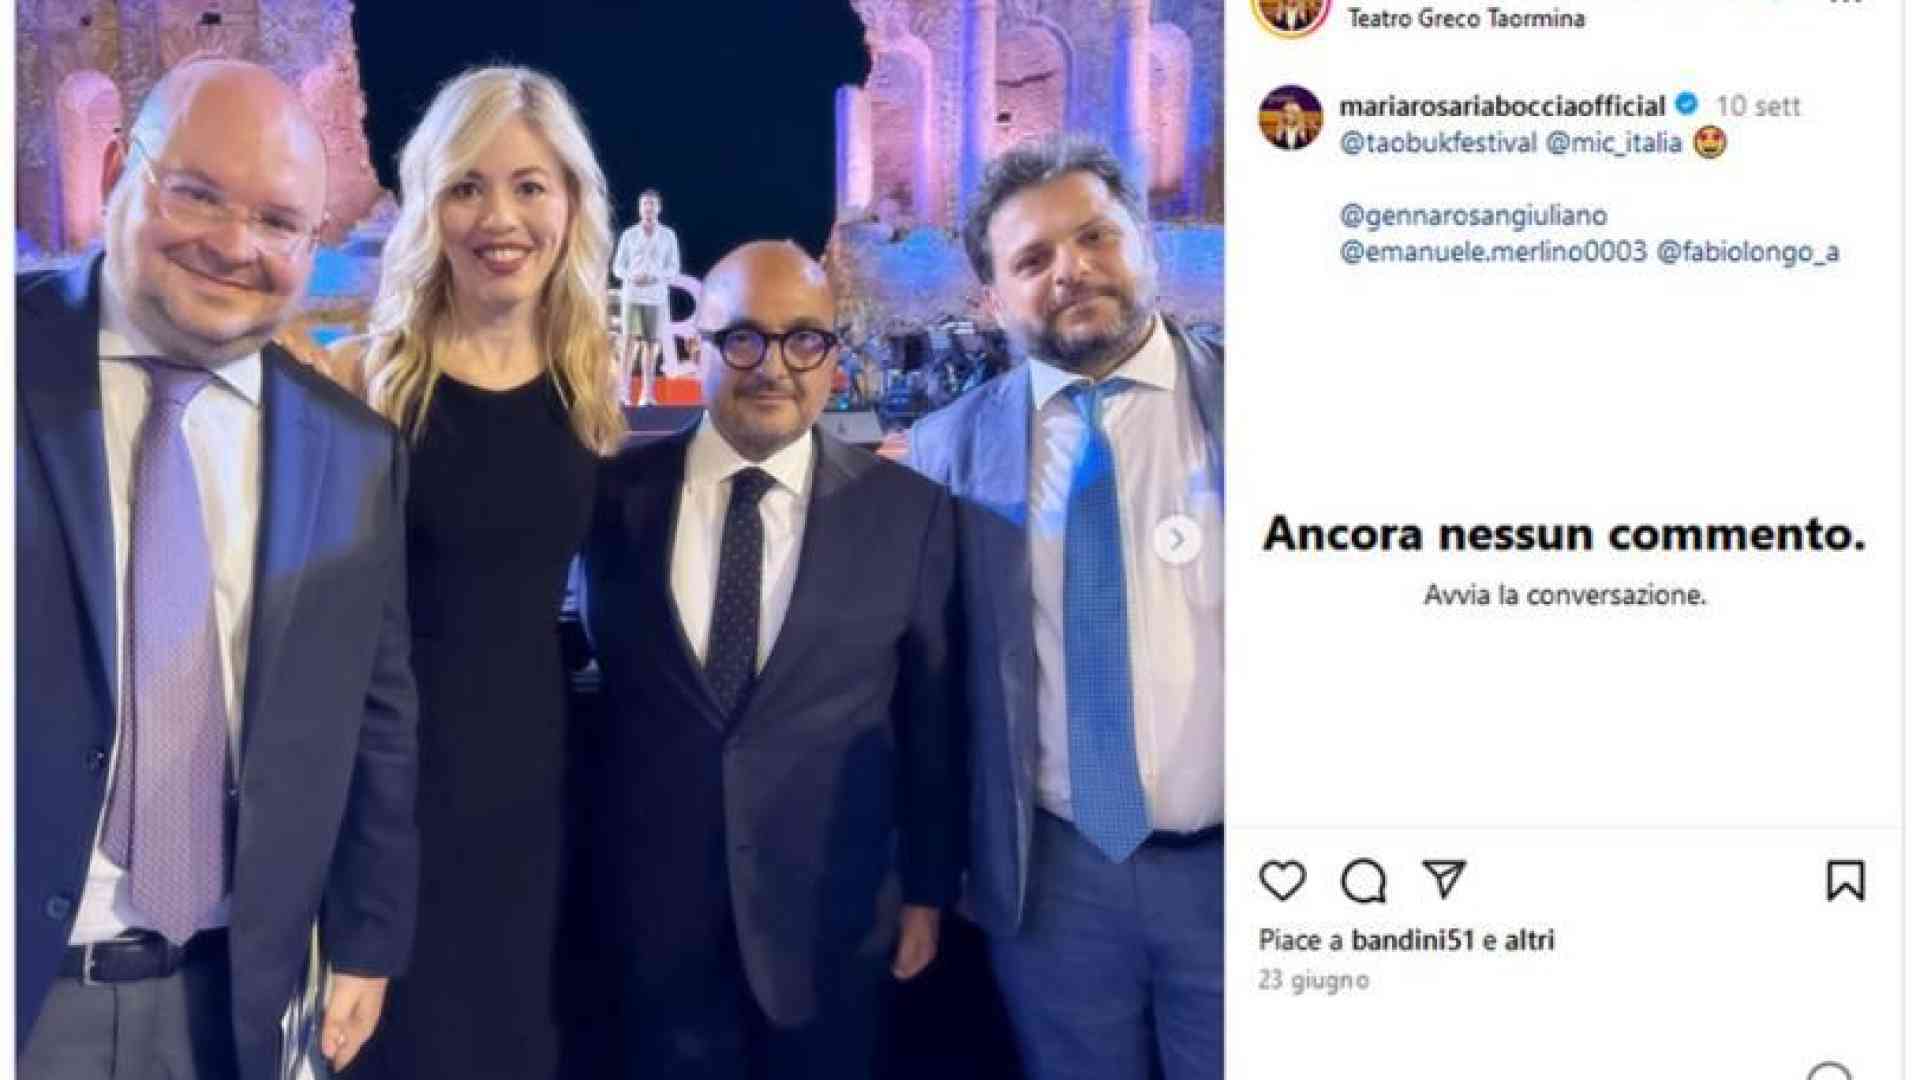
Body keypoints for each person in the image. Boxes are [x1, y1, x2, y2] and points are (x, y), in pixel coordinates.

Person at [16, 59, 417, 1078]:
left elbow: (377, 714)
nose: (235, 245)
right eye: (197, 194)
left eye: (279, 222)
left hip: (231, 998)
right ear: (117, 168)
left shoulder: (352, 452)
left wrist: (368, 937)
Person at [581, 241, 963, 1079]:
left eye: (804, 340)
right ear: (700, 347)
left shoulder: (912, 513)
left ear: (833, 353)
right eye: (744, 338)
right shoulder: (609, 499)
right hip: (649, 923)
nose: (774, 366)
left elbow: (930, 721)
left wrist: (927, 891)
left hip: (835, 921)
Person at [906, 133, 1225, 1080]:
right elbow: (928, 677)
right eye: (1032, 259)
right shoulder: (945, 452)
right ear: (992, 298)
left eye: (1095, 237)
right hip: (1054, 886)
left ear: (1146, 244)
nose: (1070, 271)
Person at [342, 66, 625, 1080]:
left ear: (571, 203)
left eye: (528, 185)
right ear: (429, 205)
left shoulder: (591, 384)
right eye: (466, 185)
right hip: (388, 791)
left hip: (537, 782)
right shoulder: (367, 382)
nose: (499, 217)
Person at [612, 188, 682, 405]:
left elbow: (674, 268)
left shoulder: (668, 235)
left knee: (651, 346)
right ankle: (623, 393)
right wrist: (631, 276)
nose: (648, 208)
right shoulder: (629, 235)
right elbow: (617, 267)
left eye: (652, 204)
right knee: (628, 344)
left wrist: (654, 276)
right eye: (644, 204)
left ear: (659, 208)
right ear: (639, 208)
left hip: (656, 298)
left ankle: (647, 394)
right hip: (632, 296)